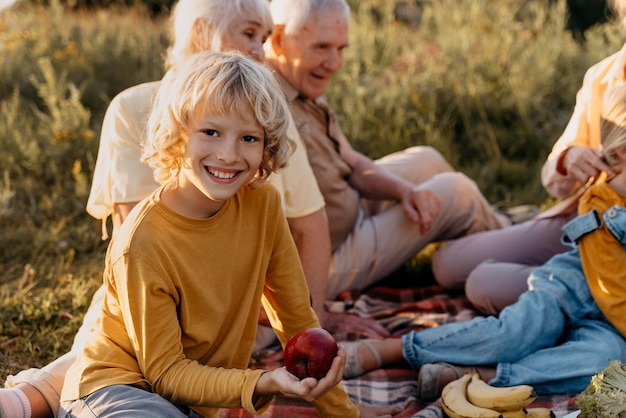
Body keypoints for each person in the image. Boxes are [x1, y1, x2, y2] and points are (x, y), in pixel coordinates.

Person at [0, 1, 385, 417]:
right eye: (211, 131)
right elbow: (164, 373)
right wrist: (261, 381)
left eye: (249, 139)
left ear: (267, 145)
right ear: (178, 134)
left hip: (196, 401)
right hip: (118, 390)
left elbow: (297, 322)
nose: (228, 155)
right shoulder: (142, 241)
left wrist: (344, 413)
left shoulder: (263, 205)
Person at [341, 82, 626, 402]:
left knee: (605, 361)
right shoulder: (600, 206)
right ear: (620, 153)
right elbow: (610, 288)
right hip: (567, 293)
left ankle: (482, 377)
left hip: (610, 322)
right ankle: (390, 350)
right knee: (514, 334)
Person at [264, 0, 510, 304]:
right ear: (277, 40)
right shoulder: (267, 104)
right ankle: (517, 250)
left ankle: (496, 235)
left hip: (350, 207)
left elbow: (351, 162)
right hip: (324, 258)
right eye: (322, 47)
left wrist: (405, 191)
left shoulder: (301, 85)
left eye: (341, 49)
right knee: (457, 192)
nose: (335, 63)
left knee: (427, 160)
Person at [430, 0, 625, 316]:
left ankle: (581, 299)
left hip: (615, 247)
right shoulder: (601, 77)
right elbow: (553, 177)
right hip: (578, 219)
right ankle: (546, 270)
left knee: (483, 284)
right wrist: (569, 158)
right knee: (446, 264)